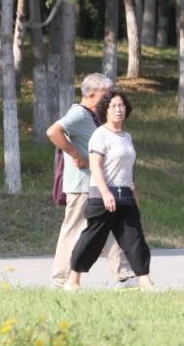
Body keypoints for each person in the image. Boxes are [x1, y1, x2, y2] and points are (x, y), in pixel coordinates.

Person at [46, 74, 136, 288]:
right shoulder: (78, 113)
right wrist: (76, 155)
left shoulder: (93, 115)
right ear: (91, 94)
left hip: (98, 185)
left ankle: (123, 275)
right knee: (74, 229)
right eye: (106, 94)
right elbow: (53, 132)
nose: (111, 99)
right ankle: (60, 279)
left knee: (112, 227)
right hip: (82, 186)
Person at [64, 91, 156, 291]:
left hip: (125, 194)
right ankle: (73, 281)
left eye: (121, 105)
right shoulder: (100, 134)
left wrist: (135, 195)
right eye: (113, 106)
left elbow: (127, 170)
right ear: (105, 110)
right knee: (92, 240)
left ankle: (145, 281)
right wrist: (105, 193)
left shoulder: (126, 137)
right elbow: (95, 166)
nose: (118, 109)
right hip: (102, 195)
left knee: (135, 239)